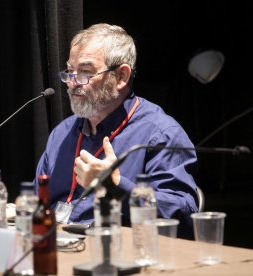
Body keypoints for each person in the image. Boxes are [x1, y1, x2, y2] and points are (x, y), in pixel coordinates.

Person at [34, 23, 199, 239]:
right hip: (54, 247)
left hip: (117, 254)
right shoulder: (62, 133)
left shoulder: (160, 134)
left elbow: (183, 216)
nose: (73, 83)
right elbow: (39, 200)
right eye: (70, 71)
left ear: (121, 77)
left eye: (85, 72)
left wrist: (116, 186)